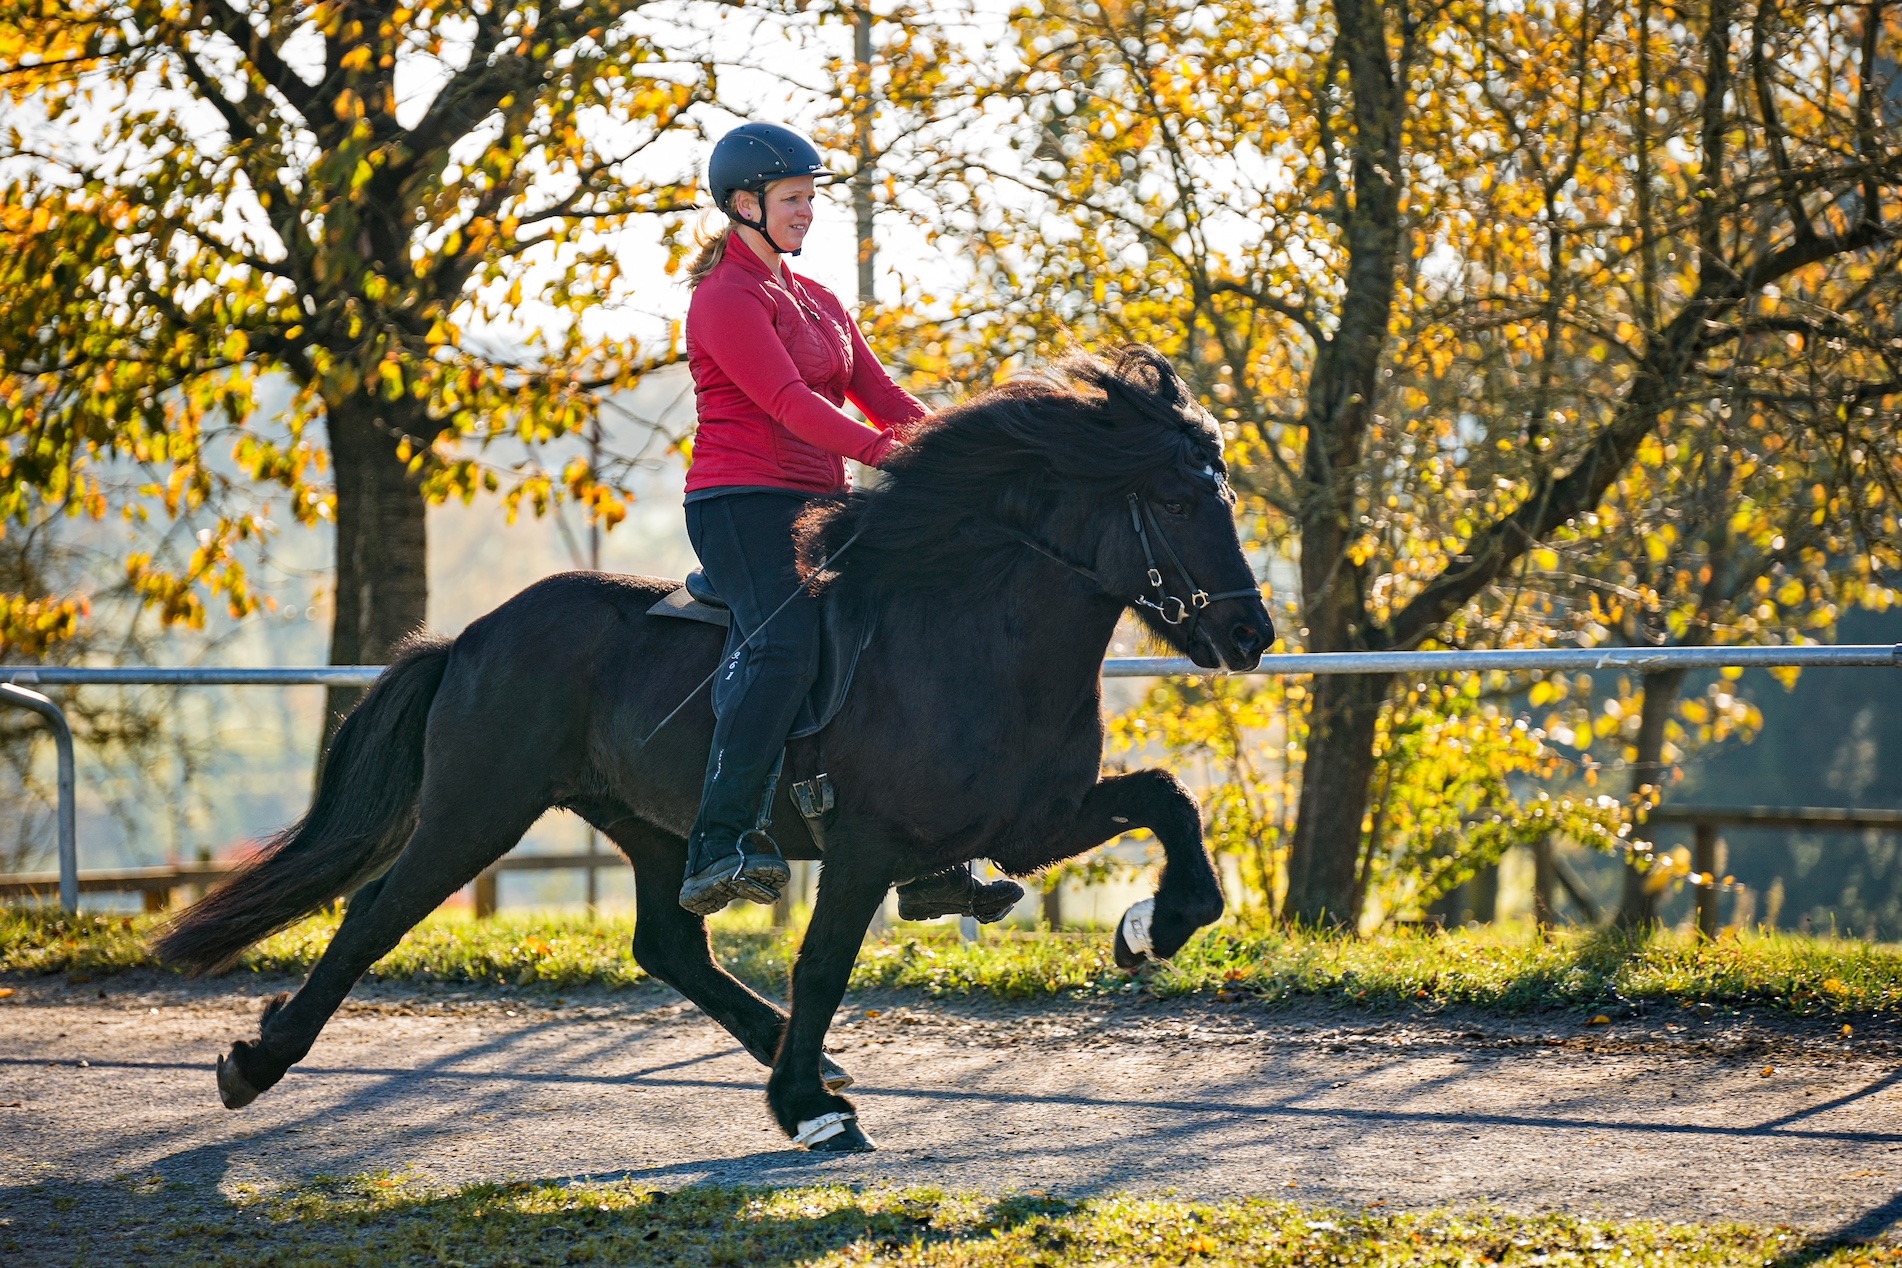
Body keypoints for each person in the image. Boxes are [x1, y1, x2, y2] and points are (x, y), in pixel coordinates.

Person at [677, 121, 1024, 924]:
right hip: (742, 503)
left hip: (822, 504)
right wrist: (887, 456)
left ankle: (931, 861)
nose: (806, 213)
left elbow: (885, 397)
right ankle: (720, 842)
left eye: (809, 199)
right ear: (744, 204)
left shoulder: (819, 300)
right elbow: (791, 408)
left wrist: (956, 450)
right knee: (786, 641)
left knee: (917, 627)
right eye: (792, 200)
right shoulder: (725, 298)